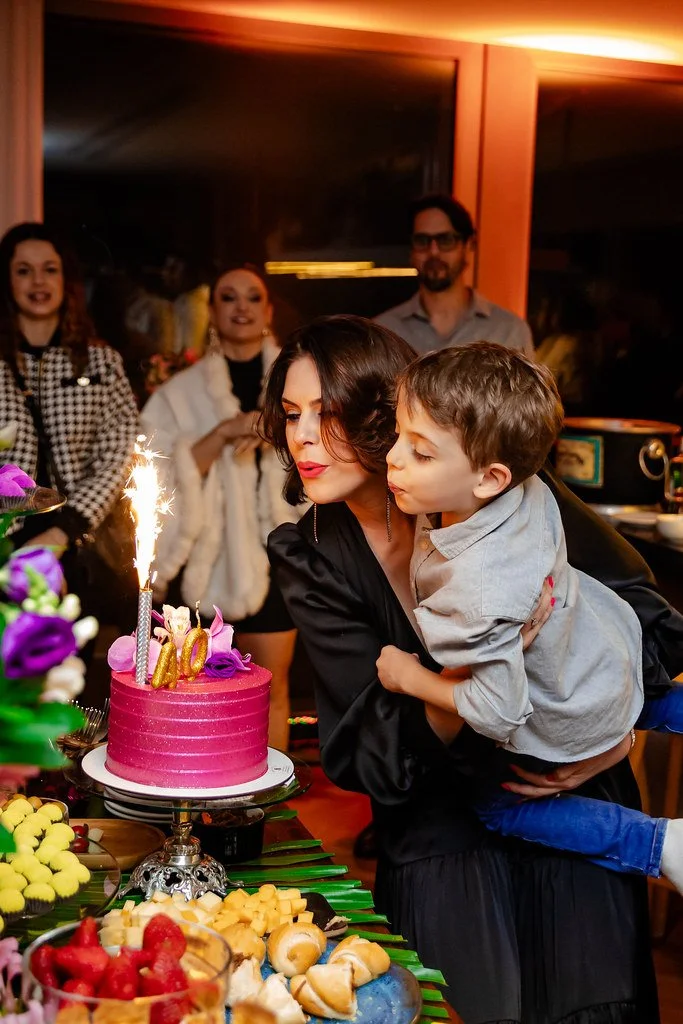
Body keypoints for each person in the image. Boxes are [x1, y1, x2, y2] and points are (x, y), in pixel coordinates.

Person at [262, 314, 683, 1023]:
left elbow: (647, 621)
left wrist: (611, 740)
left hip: (573, 783)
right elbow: (371, 754)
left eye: (326, 414)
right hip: (439, 821)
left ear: (383, 410)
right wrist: (473, 680)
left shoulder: (502, 486)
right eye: (290, 413)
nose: (302, 436)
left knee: (593, 1002)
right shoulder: (311, 553)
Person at [378, 341, 683, 892]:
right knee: (651, 701)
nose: (393, 458)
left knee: (496, 807)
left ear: (489, 478)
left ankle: (660, 844)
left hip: (562, 697)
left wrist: (410, 677)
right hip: (601, 648)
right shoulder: (524, 484)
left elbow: (498, 711)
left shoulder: (480, 590)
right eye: (398, 434)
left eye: (420, 453)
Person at [141, 264, 301, 750]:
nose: (241, 307)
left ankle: (269, 791)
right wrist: (225, 432)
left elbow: (323, 455)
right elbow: (157, 472)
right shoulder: (179, 394)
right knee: (196, 692)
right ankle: (200, 787)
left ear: (268, 311)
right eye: (228, 297)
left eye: (253, 297)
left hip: (277, 556)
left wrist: (272, 428)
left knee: (271, 689)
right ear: (212, 311)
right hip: (205, 563)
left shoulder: (297, 384)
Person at [0, 223, 139, 661]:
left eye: (50, 269)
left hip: (77, 541)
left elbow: (119, 453)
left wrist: (64, 530)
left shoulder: (101, 361)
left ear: (67, 280)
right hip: (4, 540)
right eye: (24, 270)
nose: (38, 282)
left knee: (68, 674)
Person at [375, 195, 534, 357]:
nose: (434, 252)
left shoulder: (508, 331)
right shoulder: (385, 333)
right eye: (422, 241)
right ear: (411, 250)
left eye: (446, 240)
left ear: (469, 245)